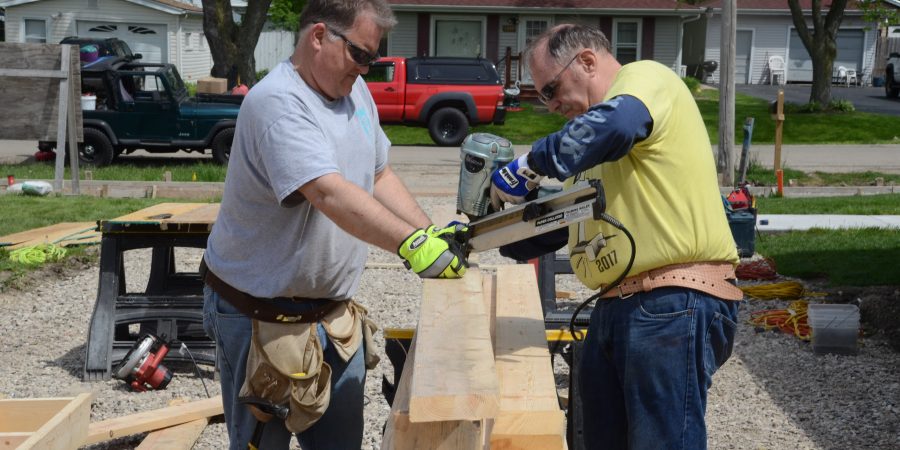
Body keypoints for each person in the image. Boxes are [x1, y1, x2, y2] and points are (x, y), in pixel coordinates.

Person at [201, 1, 467, 449]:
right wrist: (409, 244)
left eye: (372, 59)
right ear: (319, 36)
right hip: (257, 316)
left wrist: (429, 232)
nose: (365, 69)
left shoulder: (353, 94)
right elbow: (326, 192)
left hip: (330, 314)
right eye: (359, 55)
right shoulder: (278, 103)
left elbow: (379, 173)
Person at [491, 24, 743, 449]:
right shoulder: (595, 154)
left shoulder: (645, 80)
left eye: (551, 90)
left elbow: (618, 123)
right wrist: (481, 232)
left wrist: (528, 166)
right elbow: (561, 223)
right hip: (619, 307)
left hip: (670, 298)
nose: (551, 106)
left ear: (587, 61)